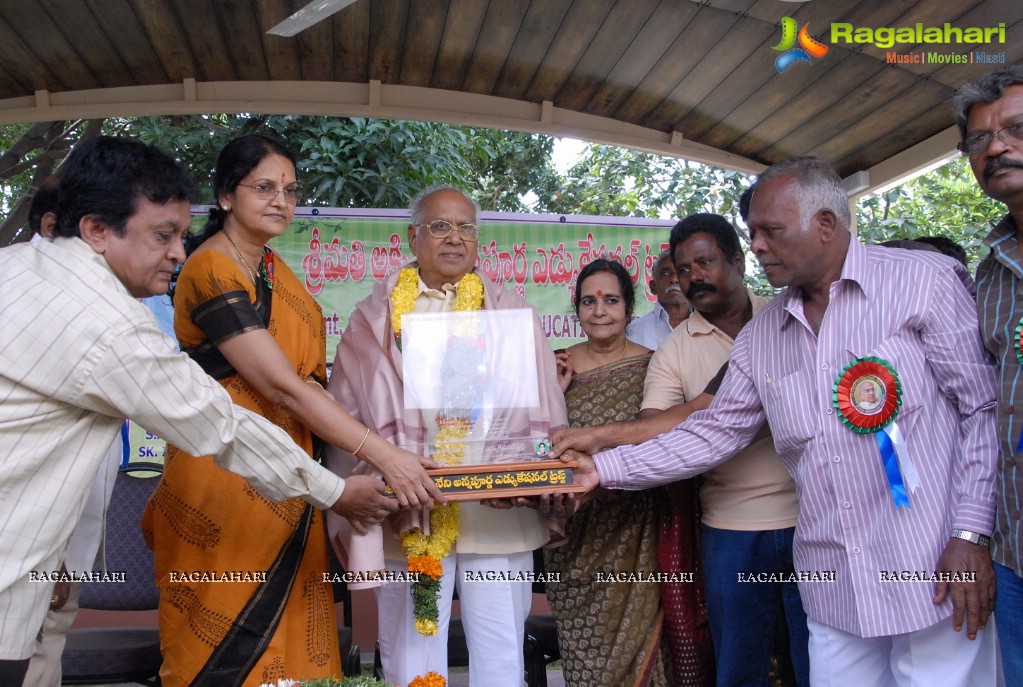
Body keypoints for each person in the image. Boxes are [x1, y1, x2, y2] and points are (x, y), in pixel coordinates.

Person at [561, 156, 1001, 686]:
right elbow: (714, 431)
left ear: (825, 225)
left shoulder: (921, 282)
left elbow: (983, 408)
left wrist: (971, 533)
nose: (759, 246)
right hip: (834, 584)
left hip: (933, 568)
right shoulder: (763, 337)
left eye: (771, 231)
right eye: (753, 234)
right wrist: (603, 470)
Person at [0, 136, 397, 687]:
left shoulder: (17, 267)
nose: (177, 254)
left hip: (280, 478)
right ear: (94, 231)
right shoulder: (112, 323)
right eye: (162, 236)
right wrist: (341, 485)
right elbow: (229, 419)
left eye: (181, 235)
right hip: (233, 485)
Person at [141, 134, 441, 687]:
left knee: (298, 652)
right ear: (226, 196)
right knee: (220, 648)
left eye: (290, 189)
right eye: (264, 187)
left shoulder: (277, 271)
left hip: (294, 478)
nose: (281, 200)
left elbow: (313, 384)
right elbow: (282, 388)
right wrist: (386, 456)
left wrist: (345, 476)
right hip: (225, 476)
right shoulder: (211, 269)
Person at [325, 185, 567, 687]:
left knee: (501, 654)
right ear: (413, 237)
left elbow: (543, 412)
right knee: (411, 656)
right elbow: (344, 413)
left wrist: (537, 472)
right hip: (407, 511)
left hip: (498, 513)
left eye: (466, 227)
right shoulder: (373, 320)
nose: (454, 238)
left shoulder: (513, 316)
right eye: (440, 226)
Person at [556, 213, 808, 687]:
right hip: (729, 527)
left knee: (816, 658)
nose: (694, 277)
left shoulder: (786, 320)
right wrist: (599, 452)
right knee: (739, 663)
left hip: (810, 520)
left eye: (705, 263)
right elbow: (658, 428)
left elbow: (708, 412)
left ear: (738, 260)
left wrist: (599, 441)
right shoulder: (673, 350)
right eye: (683, 269)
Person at [545, 258, 676, 687]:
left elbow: (660, 440)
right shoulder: (555, 366)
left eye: (611, 300)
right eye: (588, 301)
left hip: (638, 523)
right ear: (577, 309)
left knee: (639, 639)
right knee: (585, 651)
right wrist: (552, 396)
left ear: (630, 307)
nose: (599, 310)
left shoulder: (654, 365)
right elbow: (533, 441)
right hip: (574, 527)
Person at [954, 63, 1023, 685]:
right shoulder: (990, 276)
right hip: (1015, 553)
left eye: (1017, 128)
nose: (997, 147)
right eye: (979, 140)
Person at [626, 249, 690, 350]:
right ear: (653, 286)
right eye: (665, 273)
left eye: (681, 272)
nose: (674, 279)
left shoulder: (710, 327)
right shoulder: (634, 331)